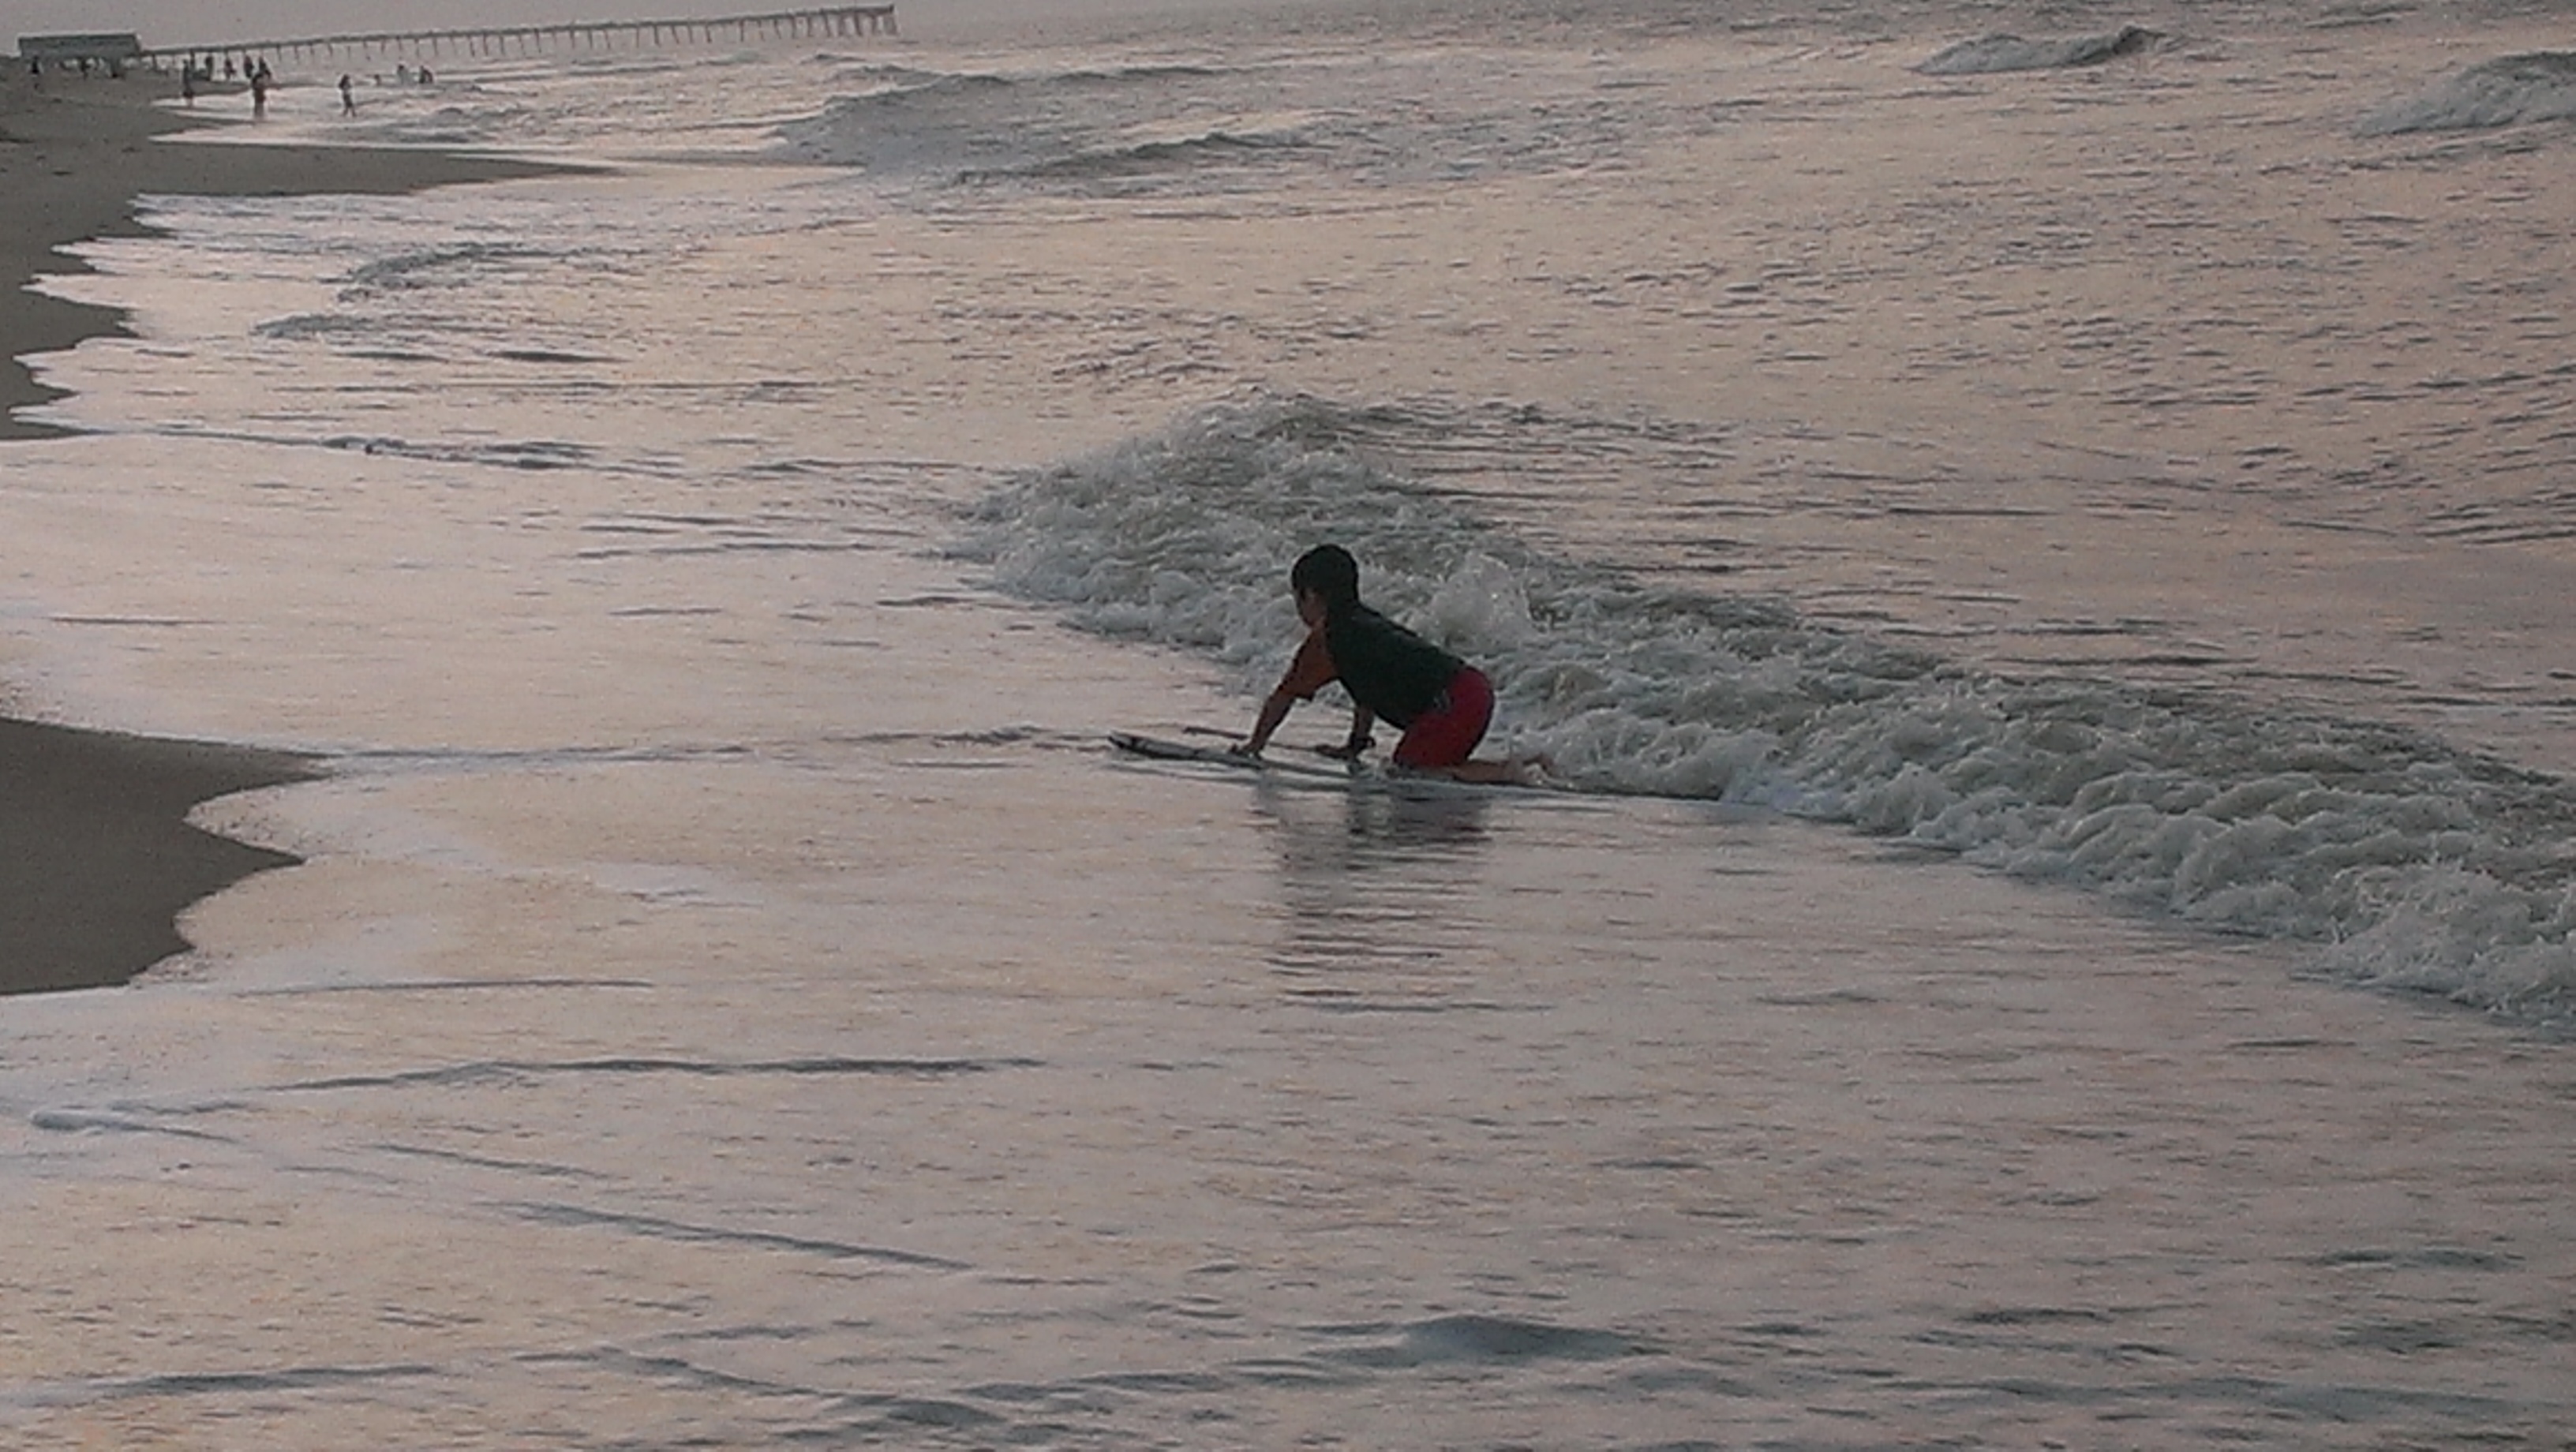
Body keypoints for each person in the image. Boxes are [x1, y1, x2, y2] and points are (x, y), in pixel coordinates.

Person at [1234, 544, 1534, 783]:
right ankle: (1530, 764)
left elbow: (1284, 696)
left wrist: (1254, 746)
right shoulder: (1364, 622)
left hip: (1455, 701)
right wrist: (1355, 744)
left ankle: (1506, 772)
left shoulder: (1327, 638)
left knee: (1409, 770)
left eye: (1297, 600)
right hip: (1471, 688)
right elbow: (1365, 690)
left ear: (1310, 596)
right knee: (1427, 761)